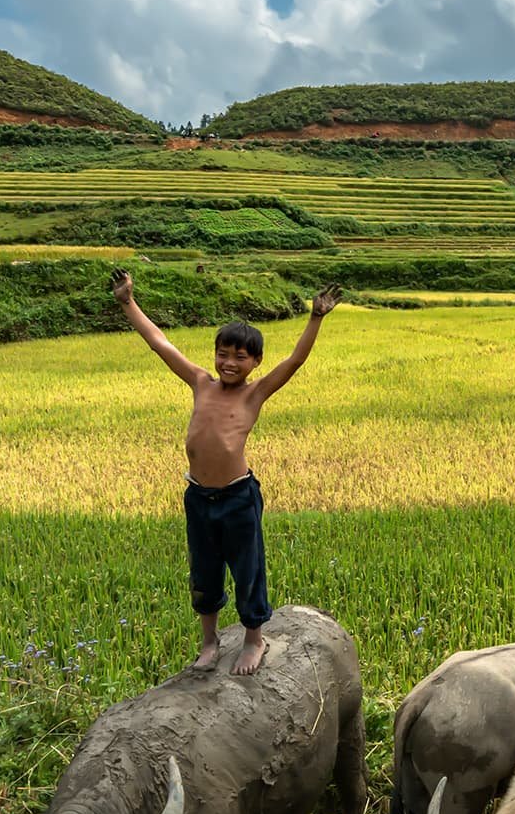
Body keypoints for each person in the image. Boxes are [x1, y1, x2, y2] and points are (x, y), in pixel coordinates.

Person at [111, 271, 342, 675]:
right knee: (204, 571)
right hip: (198, 497)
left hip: (238, 497)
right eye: (223, 353)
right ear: (214, 354)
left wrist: (316, 318)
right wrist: (128, 302)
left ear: (255, 363)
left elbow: (296, 360)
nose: (229, 363)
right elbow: (160, 343)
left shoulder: (256, 393)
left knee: (248, 568)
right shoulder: (200, 382)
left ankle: (254, 639)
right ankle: (209, 640)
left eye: (240, 357)